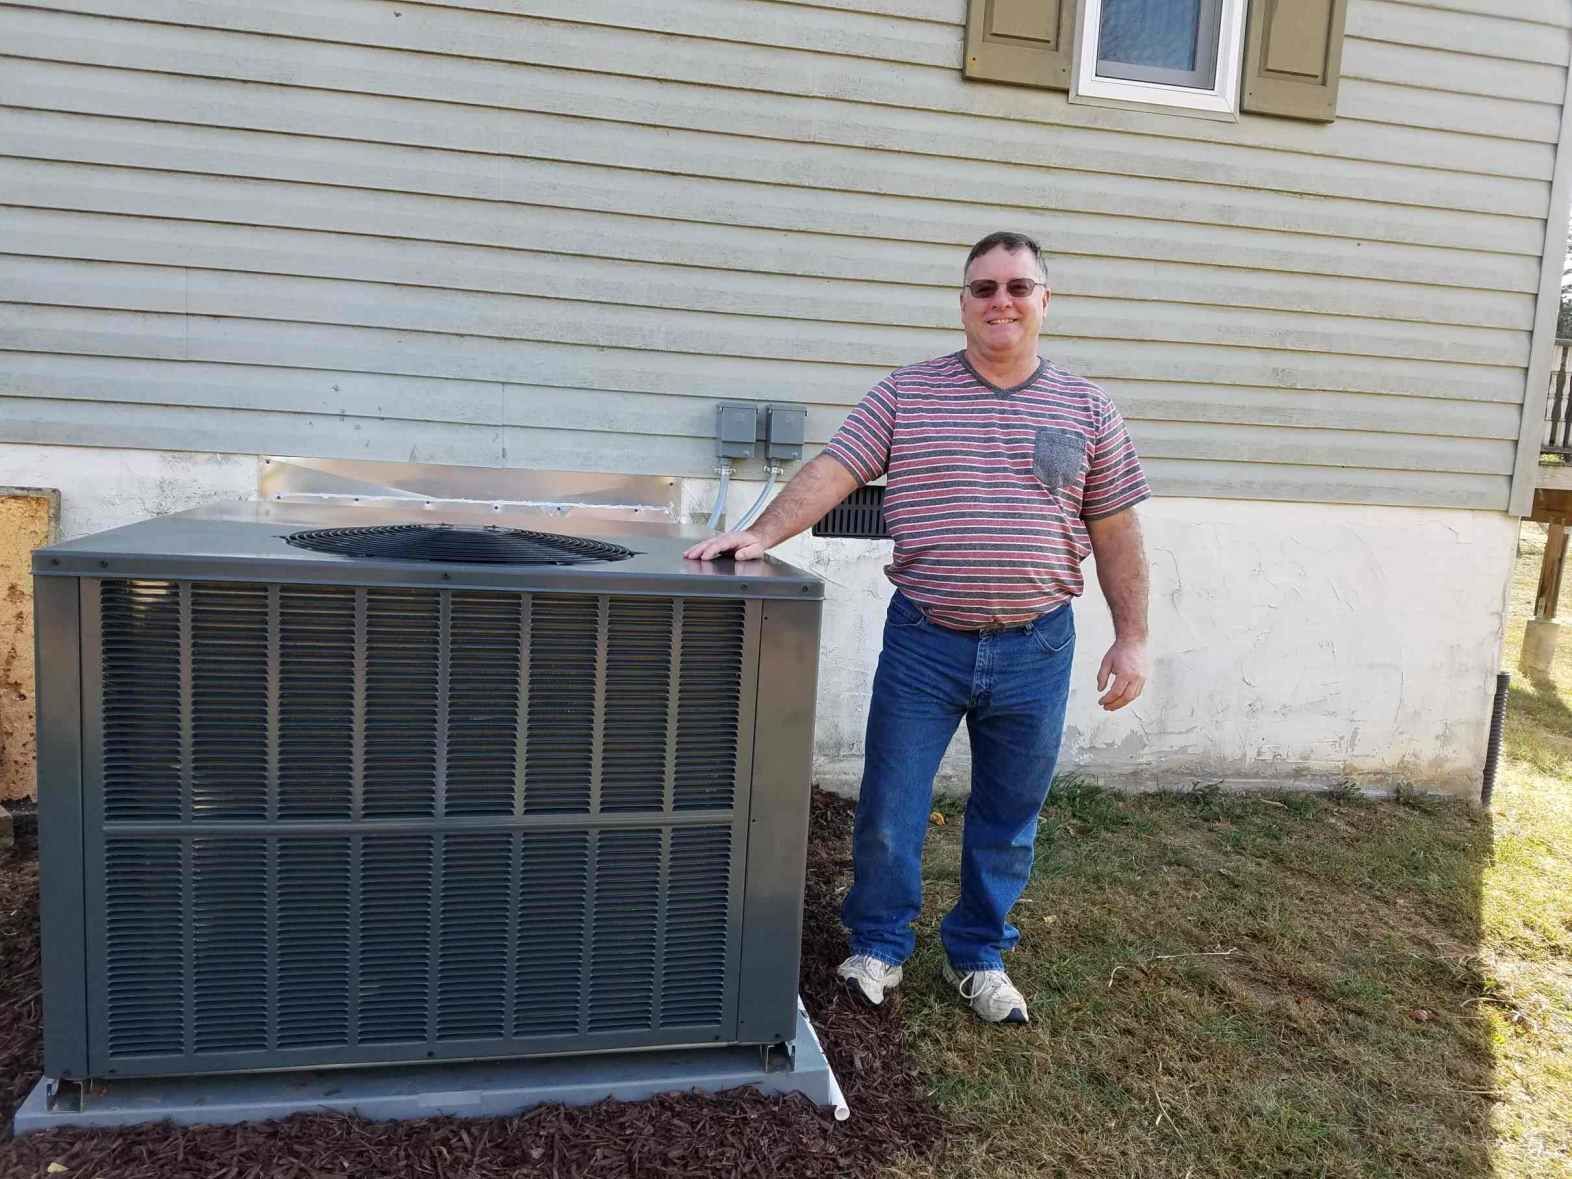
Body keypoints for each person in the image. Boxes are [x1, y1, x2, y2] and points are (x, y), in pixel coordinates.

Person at [684, 231, 1150, 1024]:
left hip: (1037, 643)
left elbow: (1114, 526)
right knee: (892, 803)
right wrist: (763, 534)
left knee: (1008, 814)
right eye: (984, 288)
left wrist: (1132, 633)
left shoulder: (1087, 408)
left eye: (1018, 286)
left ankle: (979, 952)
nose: (1001, 300)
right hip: (925, 641)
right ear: (962, 302)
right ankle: (880, 943)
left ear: (1045, 301)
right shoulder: (908, 393)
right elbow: (835, 468)